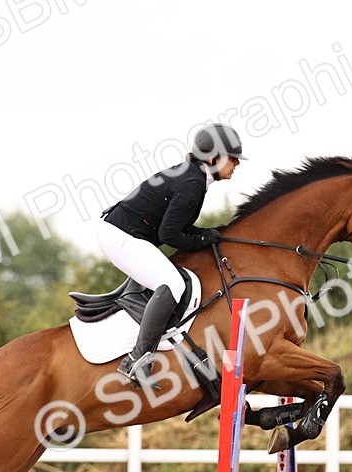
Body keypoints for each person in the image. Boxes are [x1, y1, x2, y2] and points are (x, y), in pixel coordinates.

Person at [98, 123, 247, 388]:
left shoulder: (194, 177)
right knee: (173, 283)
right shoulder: (192, 183)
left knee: (171, 280)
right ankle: (137, 360)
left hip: (127, 234)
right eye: (232, 157)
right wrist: (203, 237)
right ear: (212, 158)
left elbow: (176, 227)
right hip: (121, 237)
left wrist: (206, 233)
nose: (236, 163)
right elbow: (169, 235)